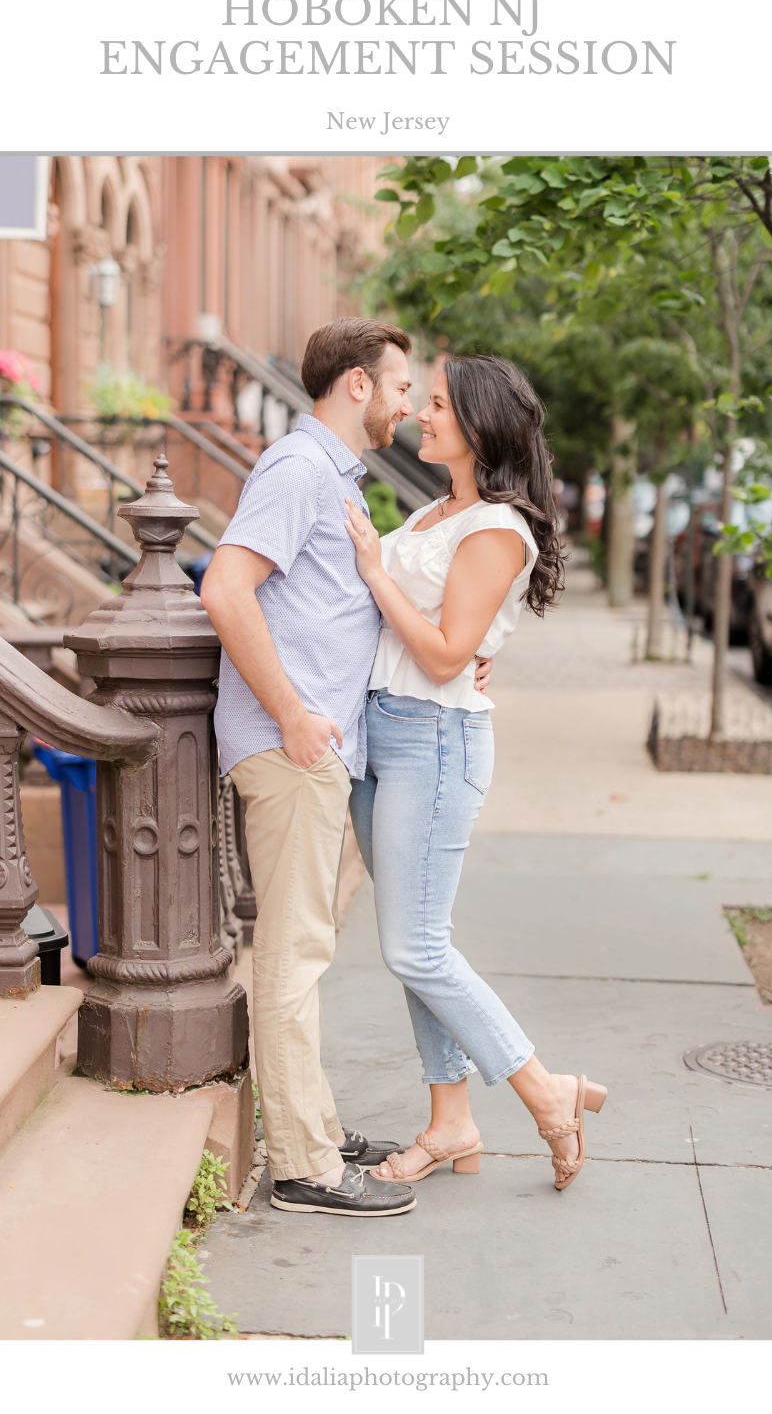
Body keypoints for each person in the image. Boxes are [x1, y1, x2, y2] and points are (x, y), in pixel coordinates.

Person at [200, 317, 491, 1217]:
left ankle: (314, 1127)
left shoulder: (331, 476)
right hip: (294, 752)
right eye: (403, 386)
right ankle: (304, 1167)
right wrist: (290, 714)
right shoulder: (297, 469)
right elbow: (224, 587)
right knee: (292, 957)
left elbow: (343, 605)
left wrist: (468, 648)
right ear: (358, 386)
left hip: (319, 750)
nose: (410, 403)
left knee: (304, 950)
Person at [345, 355, 608, 1192]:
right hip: (383, 732)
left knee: (415, 948)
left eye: (438, 405)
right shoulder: (437, 510)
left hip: (434, 738)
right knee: (417, 946)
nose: (422, 413)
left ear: (482, 424)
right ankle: (451, 1121)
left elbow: (449, 651)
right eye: (424, 401)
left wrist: (376, 574)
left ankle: (545, 1090)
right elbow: (439, 642)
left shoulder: (494, 526)